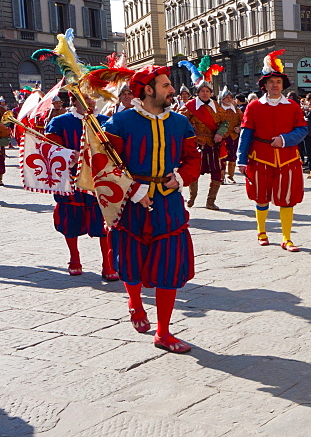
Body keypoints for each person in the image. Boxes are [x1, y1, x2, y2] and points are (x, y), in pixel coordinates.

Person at [97, 64, 201, 353]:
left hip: (169, 202)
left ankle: (164, 332)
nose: (171, 89)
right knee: (130, 262)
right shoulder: (120, 123)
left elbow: (193, 159)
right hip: (131, 203)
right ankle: (135, 303)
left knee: (169, 265)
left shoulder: (181, 123)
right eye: (166, 85)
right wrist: (134, 190)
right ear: (147, 90)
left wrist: (180, 177)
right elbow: (105, 164)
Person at [236, 51, 309, 251]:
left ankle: (286, 237)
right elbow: (246, 133)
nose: (275, 85)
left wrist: (285, 139)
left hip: (287, 158)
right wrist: (241, 159)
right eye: (271, 82)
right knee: (260, 196)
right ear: (265, 85)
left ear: (283, 85)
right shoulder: (254, 107)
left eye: (278, 81)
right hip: (260, 157)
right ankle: (262, 231)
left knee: (287, 197)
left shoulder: (293, 106)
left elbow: (303, 129)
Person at [44, 90, 118, 281]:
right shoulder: (60, 122)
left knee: (104, 221)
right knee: (71, 219)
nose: (91, 103)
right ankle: (74, 258)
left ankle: (107, 263)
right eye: (85, 99)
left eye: (92, 99)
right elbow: (51, 149)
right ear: (74, 101)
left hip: (98, 179)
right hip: (71, 178)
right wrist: (70, 155)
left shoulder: (104, 121)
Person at [179, 64, 230, 210]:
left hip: (214, 145)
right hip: (197, 144)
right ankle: (192, 197)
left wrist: (220, 133)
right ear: (198, 92)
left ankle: (210, 201)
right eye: (202, 91)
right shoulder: (189, 106)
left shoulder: (216, 106)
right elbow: (181, 123)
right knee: (194, 172)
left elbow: (225, 122)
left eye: (207, 91)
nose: (205, 93)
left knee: (217, 173)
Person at [218, 88, 242, 183]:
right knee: (222, 157)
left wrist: (239, 128)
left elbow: (244, 120)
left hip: (233, 136)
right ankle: (222, 176)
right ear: (222, 99)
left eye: (230, 97)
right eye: (226, 97)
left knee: (232, 157)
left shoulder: (237, 110)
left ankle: (230, 176)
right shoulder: (218, 110)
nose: (228, 99)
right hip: (222, 137)